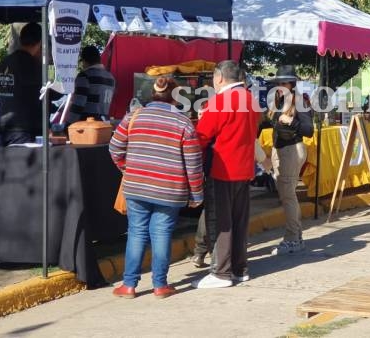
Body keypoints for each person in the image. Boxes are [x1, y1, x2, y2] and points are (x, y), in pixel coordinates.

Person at [109, 76, 203, 299]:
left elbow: (114, 148)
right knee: (161, 233)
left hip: (136, 186)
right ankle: (160, 285)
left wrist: (127, 169)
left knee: (136, 232)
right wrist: (196, 194)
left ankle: (129, 285)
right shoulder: (183, 123)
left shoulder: (134, 116)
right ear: (175, 96)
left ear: (153, 94)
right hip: (169, 190)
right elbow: (193, 162)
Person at [193, 60, 261, 289]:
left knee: (222, 221)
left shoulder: (221, 100)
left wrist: (203, 119)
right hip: (244, 168)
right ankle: (240, 269)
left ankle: (221, 272)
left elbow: (201, 135)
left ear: (219, 77)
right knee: (239, 220)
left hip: (223, 168)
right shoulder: (249, 99)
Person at [267, 65, 314, 255]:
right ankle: (296, 236)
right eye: (278, 82)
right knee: (287, 195)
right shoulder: (280, 100)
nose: (280, 85)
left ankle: (293, 238)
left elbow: (309, 130)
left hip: (291, 150)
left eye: (284, 82)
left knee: (288, 196)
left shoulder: (299, 101)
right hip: (282, 150)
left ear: (292, 84)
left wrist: (291, 122)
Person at [0, 22, 44, 145]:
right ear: (39, 42)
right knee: (19, 164)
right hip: (22, 128)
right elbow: (41, 94)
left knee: (6, 163)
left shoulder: (4, 62)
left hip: (3, 124)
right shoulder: (32, 64)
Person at [66, 45, 116, 123]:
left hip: (87, 126)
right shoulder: (111, 78)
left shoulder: (85, 76)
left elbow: (78, 104)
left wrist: (68, 125)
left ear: (85, 60)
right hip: (104, 124)